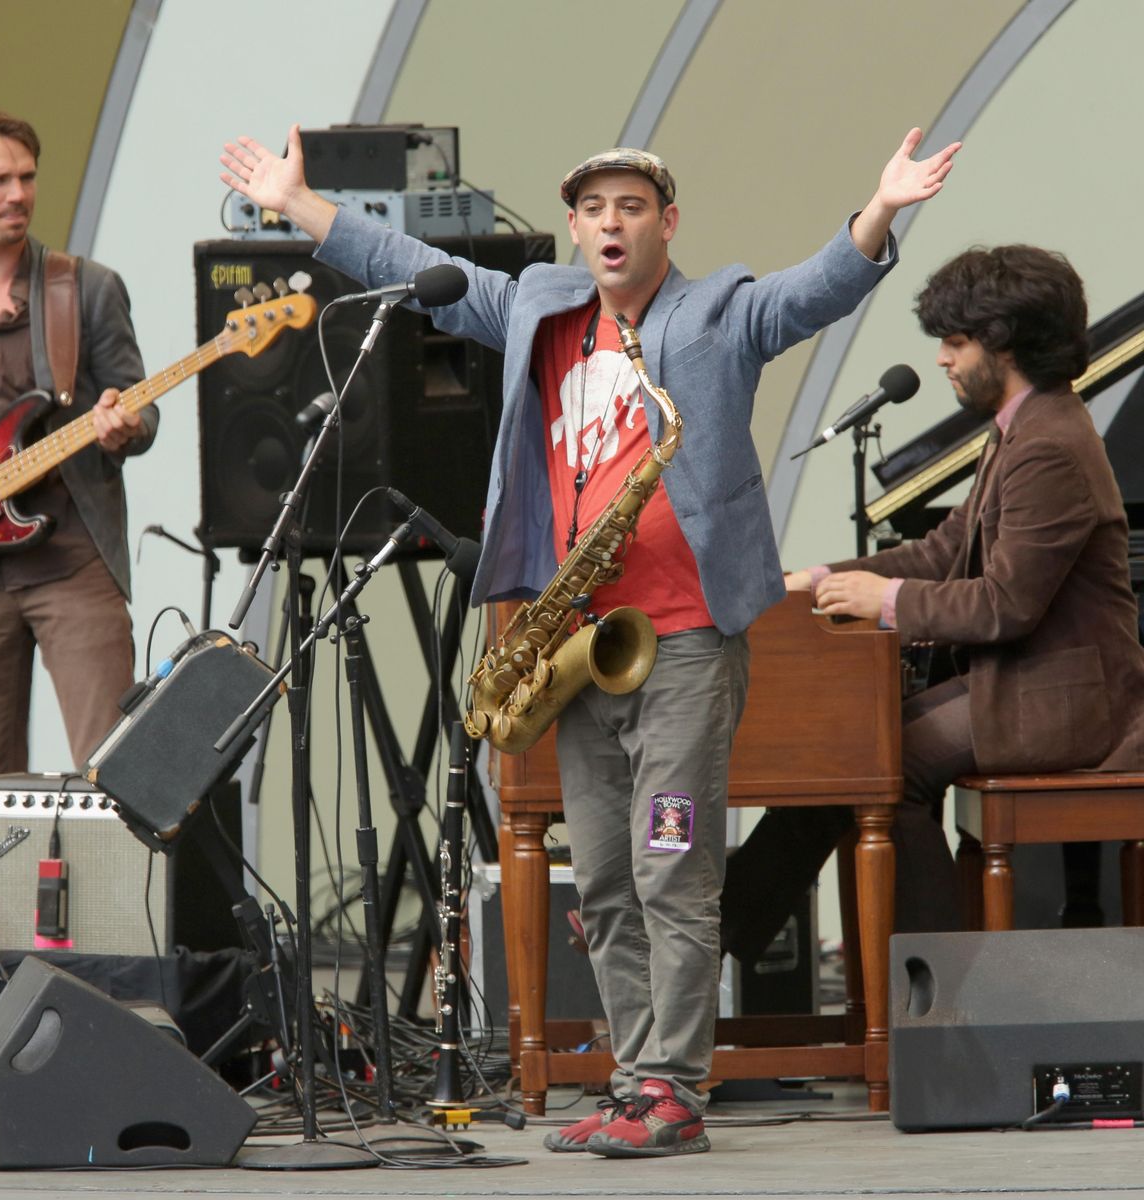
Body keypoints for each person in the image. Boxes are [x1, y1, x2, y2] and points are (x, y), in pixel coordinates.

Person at [220, 122, 959, 1157]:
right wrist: (299, 205)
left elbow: (812, 292)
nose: (612, 223)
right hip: (578, 642)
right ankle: (631, 1080)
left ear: (668, 223)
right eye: (595, 208)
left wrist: (880, 208)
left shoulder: (716, 313)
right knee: (606, 881)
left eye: (632, 207)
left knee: (672, 870)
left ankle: (673, 1089)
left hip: (686, 641)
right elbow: (413, 264)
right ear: (573, 228)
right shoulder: (539, 306)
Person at [721, 244, 1144, 967]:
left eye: (956, 341)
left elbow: (1005, 606)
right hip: (1030, 686)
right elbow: (940, 552)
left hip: (1070, 703)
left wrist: (884, 600)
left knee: (888, 769)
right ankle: (718, 934)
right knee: (852, 749)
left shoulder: (1048, 446)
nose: (943, 358)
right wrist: (819, 578)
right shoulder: (1023, 428)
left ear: (1005, 343)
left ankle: (942, 987)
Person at [0, 109, 157, 784]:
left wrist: (126, 426)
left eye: (28, 177)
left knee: (114, 780)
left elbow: (141, 408)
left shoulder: (85, 288)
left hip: (73, 564)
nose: (18, 194)